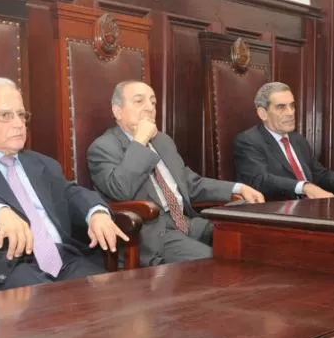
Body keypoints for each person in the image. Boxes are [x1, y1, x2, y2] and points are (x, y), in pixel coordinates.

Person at [0, 77, 127, 294]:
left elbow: (71, 193)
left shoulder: (41, 163)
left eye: (21, 115)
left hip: (64, 261)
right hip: (7, 268)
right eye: (5, 115)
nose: (19, 124)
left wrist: (96, 213)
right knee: (49, 306)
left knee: (109, 296)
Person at [87, 81, 264, 265]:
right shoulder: (103, 147)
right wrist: (139, 142)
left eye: (153, 102)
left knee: (251, 239)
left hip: (188, 223)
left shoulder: (162, 141)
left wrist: (238, 187)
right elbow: (120, 190)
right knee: (218, 262)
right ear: (118, 111)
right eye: (139, 101)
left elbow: (190, 183)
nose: (149, 108)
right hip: (152, 235)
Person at [235, 82, 334, 200]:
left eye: (292, 106)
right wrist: (304, 187)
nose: (290, 113)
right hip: (277, 213)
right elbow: (261, 180)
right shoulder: (249, 141)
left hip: (311, 210)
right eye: (281, 107)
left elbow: (319, 174)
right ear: (263, 113)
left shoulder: (298, 140)